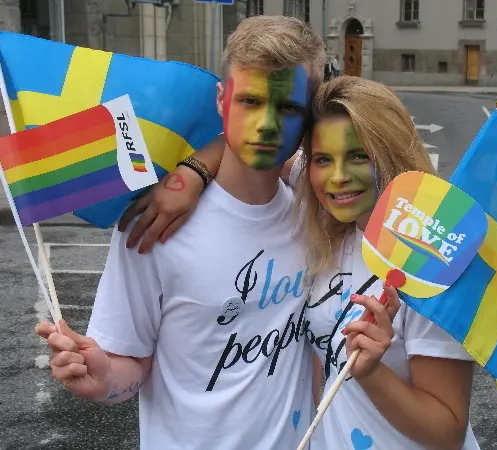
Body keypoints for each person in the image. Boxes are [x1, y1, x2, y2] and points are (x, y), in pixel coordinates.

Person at [34, 15, 399, 450]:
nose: (266, 125)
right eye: (250, 101)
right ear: (222, 100)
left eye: (288, 108)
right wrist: (103, 379)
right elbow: (130, 364)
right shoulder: (156, 225)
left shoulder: (316, 214)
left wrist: (194, 168)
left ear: (309, 115)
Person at [121, 76, 481, 449]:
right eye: (323, 159)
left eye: (360, 155)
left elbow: (448, 431)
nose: (339, 177)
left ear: (390, 153)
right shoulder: (328, 218)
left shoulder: (430, 258)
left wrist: (372, 372)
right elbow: (255, 149)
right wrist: (191, 173)